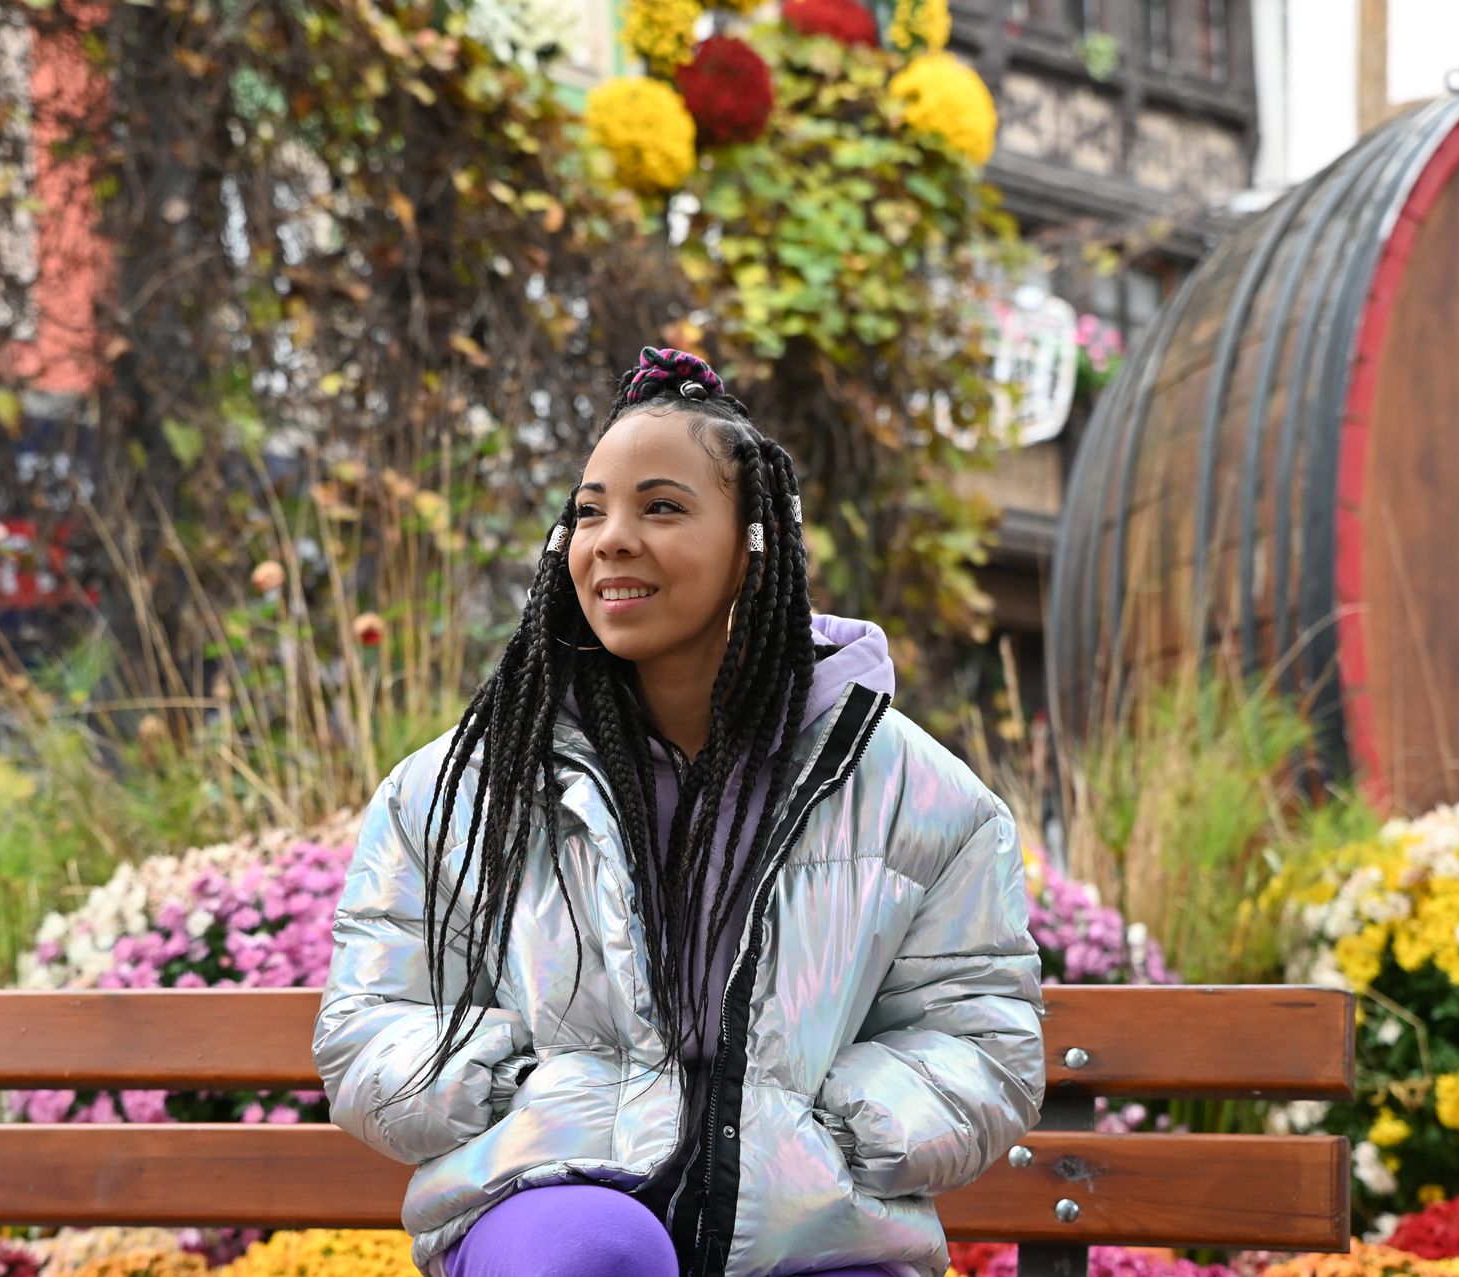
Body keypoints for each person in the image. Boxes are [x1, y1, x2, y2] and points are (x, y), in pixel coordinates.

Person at [313, 346, 1044, 1277]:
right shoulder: (452, 792)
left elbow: (982, 1037)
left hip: (807, 1233)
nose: (611, 537)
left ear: (756, 542)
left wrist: (825, 1129)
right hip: (557, 1212)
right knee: (588, 1253)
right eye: (589, 511)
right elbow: (371, 1020)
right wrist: (522, 1094)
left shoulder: (922, 797)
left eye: (660, 505)